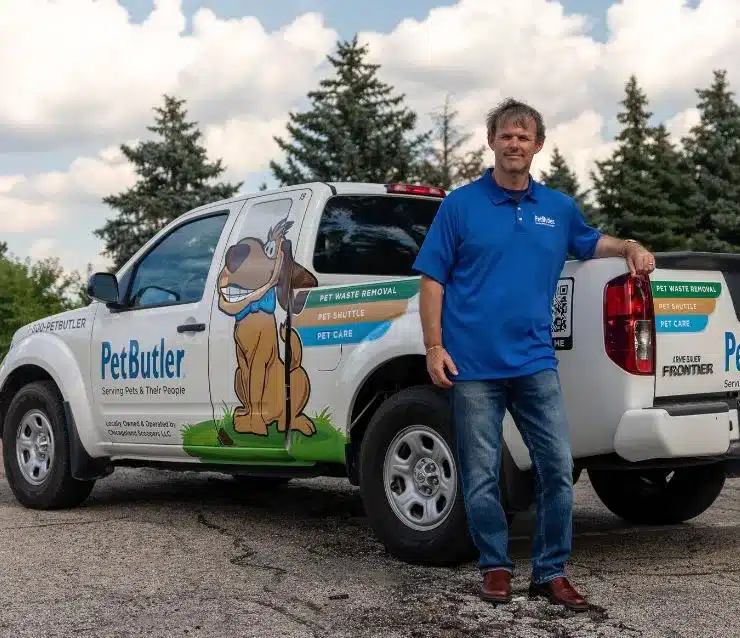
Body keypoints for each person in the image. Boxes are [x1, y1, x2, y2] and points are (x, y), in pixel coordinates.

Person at [412, 98, 656, 611]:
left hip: (534, 362)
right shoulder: (460, 205)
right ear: (492, 142)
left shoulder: (558, 209)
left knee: (557, 469)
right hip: (471, 365)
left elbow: (591, 243)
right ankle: (496, 566)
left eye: (524, 137)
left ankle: (549, 572)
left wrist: (630, 246)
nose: (514, 144)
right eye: (506, 135)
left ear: (538, 145)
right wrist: (434, 346)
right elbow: (432, 279)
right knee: (480, 476)